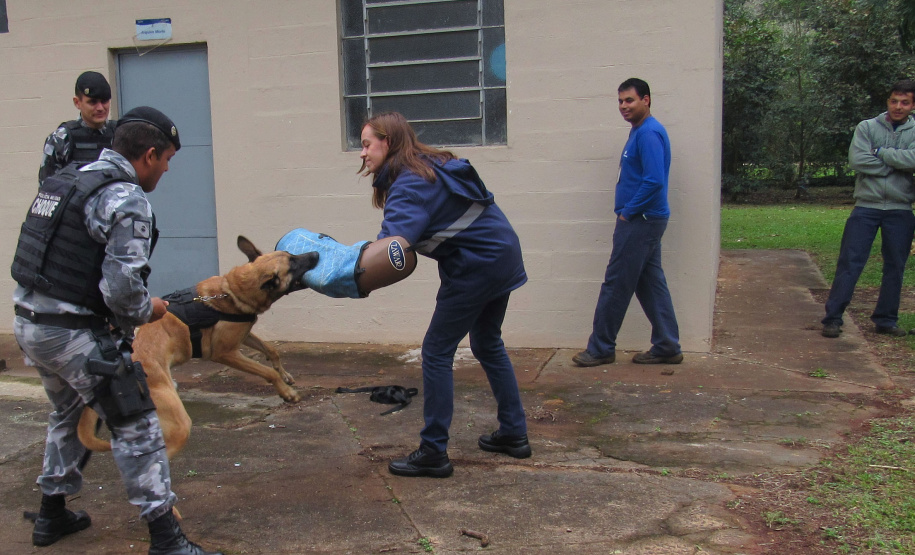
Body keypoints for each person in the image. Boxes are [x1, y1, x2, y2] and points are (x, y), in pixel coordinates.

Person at [12, 106, 222, 555]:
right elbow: (124, 291)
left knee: (67, 412)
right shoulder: (125, 196)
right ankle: (168, 540)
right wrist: (153, 309)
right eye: (166, 160)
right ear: (149, 155)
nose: (166, 170)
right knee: (137, 422)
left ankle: (52, 515)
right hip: (71, 333)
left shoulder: (68, 179)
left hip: (31, 325)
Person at [358, 112, 530, 478]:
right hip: (501, 252)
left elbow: (393, 248)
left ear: (387, 143)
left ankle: (434, 451)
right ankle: (514, 434)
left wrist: (351, 274)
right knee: (487, 342)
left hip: (477, 265)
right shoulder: (431, 163)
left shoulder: (408, 184)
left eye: (366, 144)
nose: (362, 154)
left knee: (436, 351)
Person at [573, 78, 683, 367]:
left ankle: (600, 348)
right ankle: (668, 345)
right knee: (650, 284)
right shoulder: (639, 131)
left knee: (616, 284)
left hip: (641, 221)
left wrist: (628, 211)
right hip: (645, 220)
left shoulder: (648, 133)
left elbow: (654, 181)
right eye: (620, 101)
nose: (623, 106)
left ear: (646, 100)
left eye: (629, 100)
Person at [821, 80, 915, 339]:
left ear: (912, 105)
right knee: (850, 262)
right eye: (894, 101)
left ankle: (886, 320)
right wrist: (896, 163)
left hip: (901, 208)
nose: (898, 106)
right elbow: (858, 160)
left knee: (895, 265)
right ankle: (833, 318)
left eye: (905, 102)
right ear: (887, 101)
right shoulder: (866, 127)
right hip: (866, 207)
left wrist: (881, 152)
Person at [38, 71, 118, 186]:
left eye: (104, 101)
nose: (100, 108)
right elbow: (47, 190)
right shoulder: (61, 139)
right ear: (77, 102)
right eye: (93, 102)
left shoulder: (120, 134)